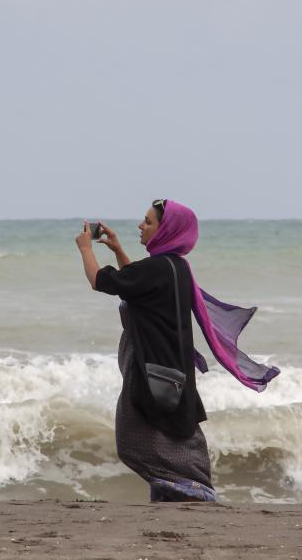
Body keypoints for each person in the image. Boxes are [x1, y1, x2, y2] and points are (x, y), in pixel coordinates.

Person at [75, 199, 280, 502]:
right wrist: (118, 250)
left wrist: (85, 249)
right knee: (169, 430)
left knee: (133, 441)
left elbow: (100, 281)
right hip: (170, 363)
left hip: (151, 364)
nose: (140, 226)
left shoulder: (158, 267)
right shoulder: (175, 266)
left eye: (148, 222)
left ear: (166, 229)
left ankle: (193, 490)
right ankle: (176, 495)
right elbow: (136, 282)